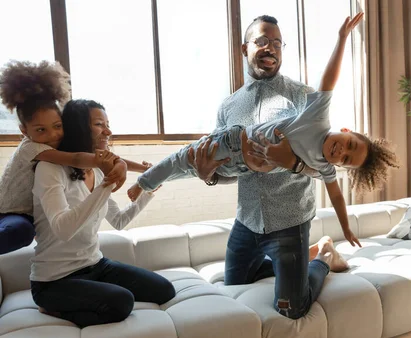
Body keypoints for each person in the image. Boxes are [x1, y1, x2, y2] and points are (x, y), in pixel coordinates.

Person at [129, 13, 397, 248]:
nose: (271, 48)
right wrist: (208, 174)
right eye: (262, 41)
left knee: (292, 305)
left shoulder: (304, 96)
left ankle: (320, 257)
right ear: (245, 48)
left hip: (290, 224)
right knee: (234, 282)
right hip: (247, 221)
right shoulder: (228, 106)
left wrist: (291, 162)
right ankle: (152, 176)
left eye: (278, 44)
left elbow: (329, 187)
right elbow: (225, 171)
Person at [29, 99, 175, 328]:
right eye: (99, 124)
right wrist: (108, 183)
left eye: (107, 124)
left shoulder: (96, 171)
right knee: (121, 303)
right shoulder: (50, 169)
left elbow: (118, 221)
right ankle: (52, 307)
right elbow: (63, 229)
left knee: (164, 290)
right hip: (54, 280)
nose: (108, 131)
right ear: (79, 128)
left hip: (96, 265)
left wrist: (147, 192)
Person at [0, 60, 150, 255]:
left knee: (29, 230)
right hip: (9, 213)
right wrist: (113, 163)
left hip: (30, 216)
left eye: (57, 126)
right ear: (24, 131)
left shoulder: (60, 152)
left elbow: (93, 159)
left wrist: (140, 169)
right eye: (41, 130)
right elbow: (78, 159)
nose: (53, 135)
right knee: (20, 231)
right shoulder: (33, 149)